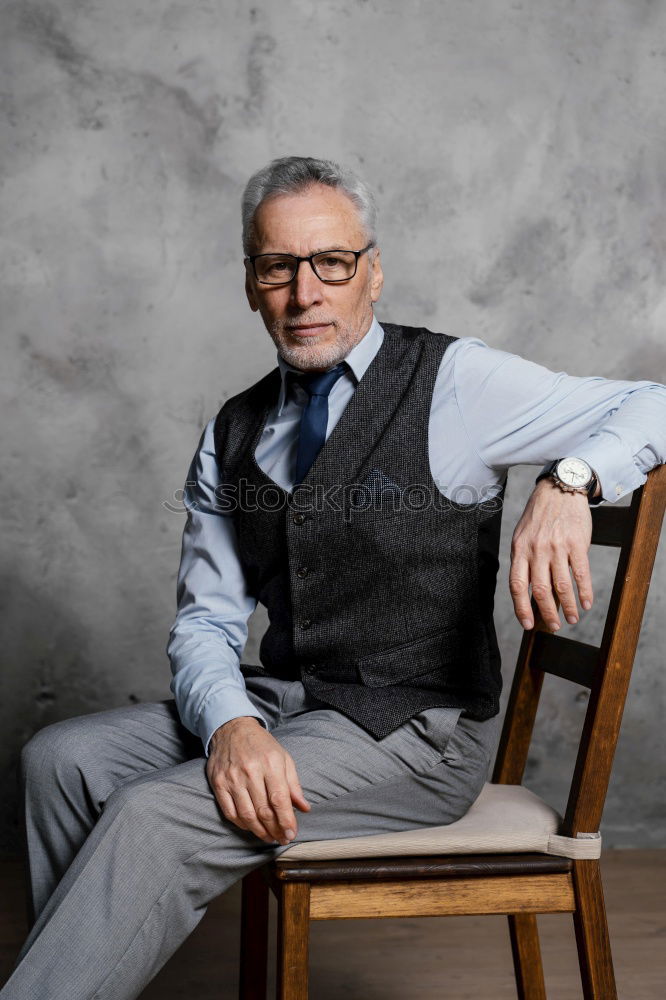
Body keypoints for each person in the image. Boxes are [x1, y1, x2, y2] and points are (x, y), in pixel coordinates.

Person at [3, 156, 665, 1000]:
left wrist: (570, 483)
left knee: (151, 815)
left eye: (331, 263)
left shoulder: (454, 382)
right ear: (252, 283)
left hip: (415, 733)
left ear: (372, 272)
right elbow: (204, 623)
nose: (305, 292)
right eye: (278, 266)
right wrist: (231, 726)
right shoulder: (233, 431)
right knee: (60, 758)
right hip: (287, 703)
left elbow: (656, 400)